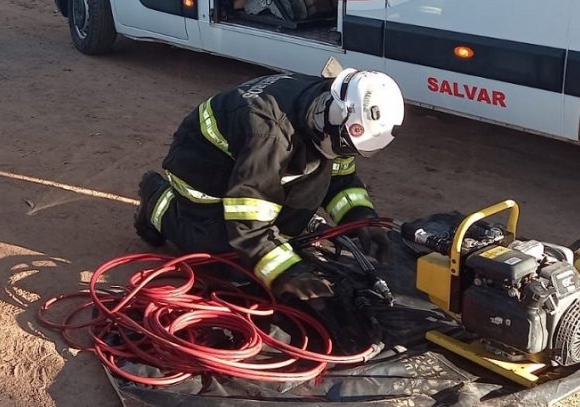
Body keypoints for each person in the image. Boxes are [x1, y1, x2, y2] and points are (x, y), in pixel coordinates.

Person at [135, 69, 404, 301]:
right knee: (228, 260)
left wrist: (361, 219)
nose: (344, 152)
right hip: (202, 169)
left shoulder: (328, 105)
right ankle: (157, 201)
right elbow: (247, 218)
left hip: (249, 163)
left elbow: (340, 177)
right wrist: (285, 271)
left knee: (291, 220)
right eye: (343, 144)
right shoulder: (270, 133)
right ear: (332, 114)